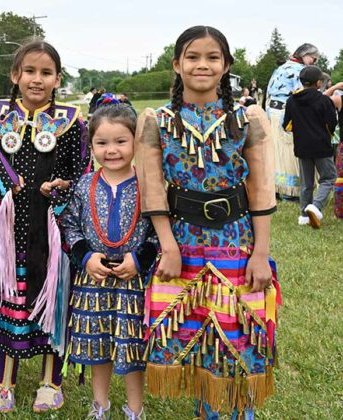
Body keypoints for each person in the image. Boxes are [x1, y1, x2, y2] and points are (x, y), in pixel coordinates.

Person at [135, 25, 281, 419]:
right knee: (196, 332)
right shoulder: (156, 121)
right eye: (193, 57)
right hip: (183, 241)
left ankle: (242, 412)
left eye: (212, 57)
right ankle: (208, 411)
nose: (203, 65)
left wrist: (261, 253)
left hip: (237, 241)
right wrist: (167, 246)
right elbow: (152, 192)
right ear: (177, 64)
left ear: (227, 65)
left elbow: (261, 191)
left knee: (238, 329)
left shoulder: (248, 118)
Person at [0, 39, 91, 414]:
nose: (36, 79)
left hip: (52, 229)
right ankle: (5, 379)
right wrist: (6, 188)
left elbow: (82, 171)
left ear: (58, 78)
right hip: (10, 229)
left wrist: (60, 192)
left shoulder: (72, 122)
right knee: (11, 294)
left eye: (46, 73)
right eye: (29, 71)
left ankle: (50, 380)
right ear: (15, 75)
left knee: (53, 297)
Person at [59, 103, 157, 420]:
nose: (111, 150)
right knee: (95, 344)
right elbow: (70, 226)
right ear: (91, 146)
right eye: (102, 143)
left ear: (135, 143)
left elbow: (158, 231)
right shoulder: (84, 184)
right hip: (92, 279)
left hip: (134, 281)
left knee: (131, 345)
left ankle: (135, 410)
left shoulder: (149, 184)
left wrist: (139, 259)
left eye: (120, 142)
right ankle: (99, 406)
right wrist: (86, 256)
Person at [282, 66, 338, 228]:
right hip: (321, 146)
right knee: (328, 177)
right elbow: (331, 124)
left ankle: (304, 215)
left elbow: (287, 125)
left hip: (301, 146)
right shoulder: (324, 100)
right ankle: (315, 206)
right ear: (319, 82)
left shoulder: (292, 100)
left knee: (306, 183)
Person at [266, 43, 319, 199]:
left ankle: (276, 188)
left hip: (273, 114)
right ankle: (290, 191)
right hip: (287, 114)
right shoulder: (300, 71)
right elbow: (303, 96)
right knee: (291, 153)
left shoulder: (281, 68)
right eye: (313, 58)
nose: (314, 62)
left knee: (277, 154)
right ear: (304, 55)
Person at [324, 80, 343, 219]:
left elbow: (320, 99)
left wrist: (336, 87)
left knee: (341, 179)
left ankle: (340, 212)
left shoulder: (339, 100)